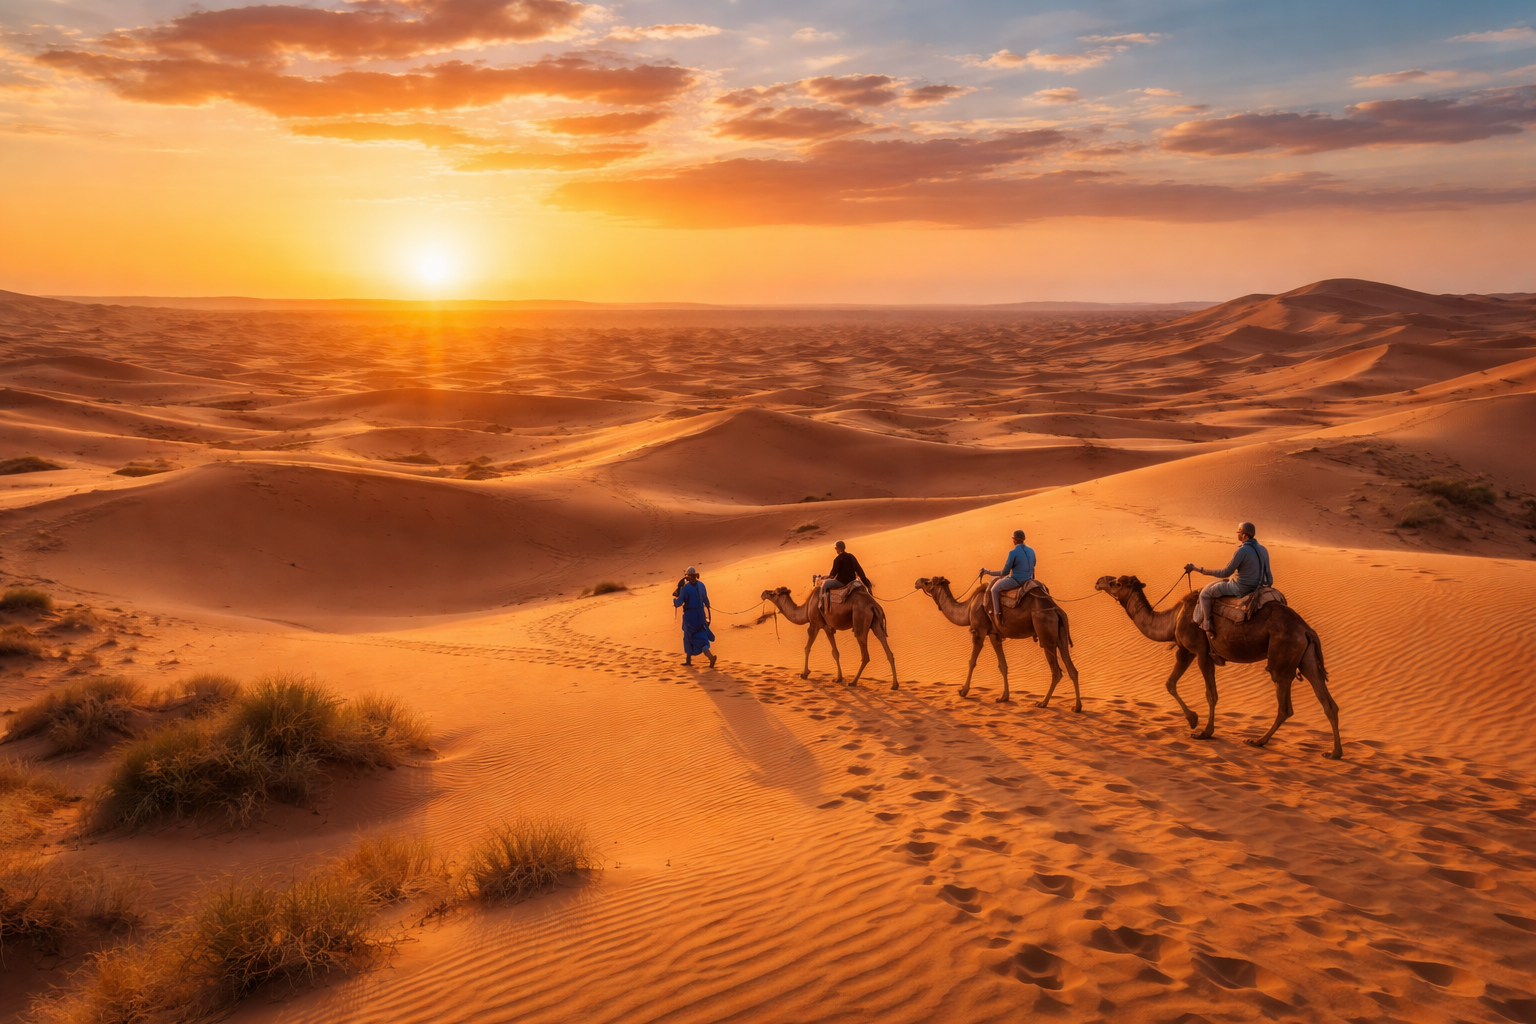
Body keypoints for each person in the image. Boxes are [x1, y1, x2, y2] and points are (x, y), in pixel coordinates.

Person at [1185, 521, 1273, 636]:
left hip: (1239, 589)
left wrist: (1199, 570)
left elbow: (1225, 573)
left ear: (1244, 535)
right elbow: (1269, 578)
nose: (1238, 535)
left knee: (1204, 594)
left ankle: (1206, 622)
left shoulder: (1242, 551)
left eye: (1239, 532)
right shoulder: (1263, 549)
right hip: (1258, 588)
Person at [980, 529, 1035, 626]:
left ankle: (997, 617)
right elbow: (1034, 564)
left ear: (1015, 540)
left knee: (994, 589)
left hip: (1017, 580)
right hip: (1029, 579)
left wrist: (988, 572)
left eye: (1013, 539)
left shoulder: (1012, 553)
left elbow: (1004, 573)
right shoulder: (1031, 550)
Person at [672, 566, 717, 667]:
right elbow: (706, 600)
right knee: (702, 635)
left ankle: (688, 661)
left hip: (690, 616)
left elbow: (679, 602)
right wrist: (707, 608)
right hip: (701, 615)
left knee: (688, 636)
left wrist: (674, 601)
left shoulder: (686, 588)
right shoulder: (701, 585)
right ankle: (710, 656)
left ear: (688, 576)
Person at [817, 541, 872, 609]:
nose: (836, 550)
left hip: (842, 582)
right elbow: (859, 569)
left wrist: (825, 577)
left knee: (825, 584)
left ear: (838, 548)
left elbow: (832, 575)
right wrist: (865, 581)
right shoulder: (851, 556)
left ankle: (822, 605)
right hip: (852, 581)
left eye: (836, 548)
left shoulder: (838, 559)